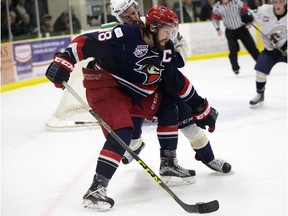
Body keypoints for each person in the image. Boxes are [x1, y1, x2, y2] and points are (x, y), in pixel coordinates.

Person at [45, 5, 197, 210]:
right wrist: (64, 60)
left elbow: (173, 77)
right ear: (153, 27)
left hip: (131, 90)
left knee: (168, 105)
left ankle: (168, 164)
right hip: (106, 87)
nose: (170, 36)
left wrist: (198, 104)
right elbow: (85, 42)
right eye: (167, 31)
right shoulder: (122, 34)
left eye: (172, 31)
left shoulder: (161, 42)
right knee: (121, 132)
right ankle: (96, 190)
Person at [110, 0, 232, 183]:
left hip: (166, 85)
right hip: (137, 90)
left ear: (138, 8)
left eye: (134, 12)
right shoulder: (119, 35)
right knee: (131, 129)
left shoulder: (156, 23)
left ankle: (208, 158)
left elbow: (180, 43)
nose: (133, 18)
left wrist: (173, 59)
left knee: (188, 123)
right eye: (126, 16)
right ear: (119, 18)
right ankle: (135, 147)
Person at [240, 0, 287, 106]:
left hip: (285, 49)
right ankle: (260, 94)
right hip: (270, 50)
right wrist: (247, 17)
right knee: (260, 70)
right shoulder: (264, 10)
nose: (278, 5)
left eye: (280, 2)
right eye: (275, 2)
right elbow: (250, 13)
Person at [211, 0, 260, 74]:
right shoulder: (218, 6)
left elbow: (247, 10)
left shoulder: (236, 2)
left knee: (252, 47)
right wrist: (217, 28)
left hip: (242, 28)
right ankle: (235, 67)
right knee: (233, 50)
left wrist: (249, 20)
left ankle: (261, 64)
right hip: (230, 31)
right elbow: (214, 18)